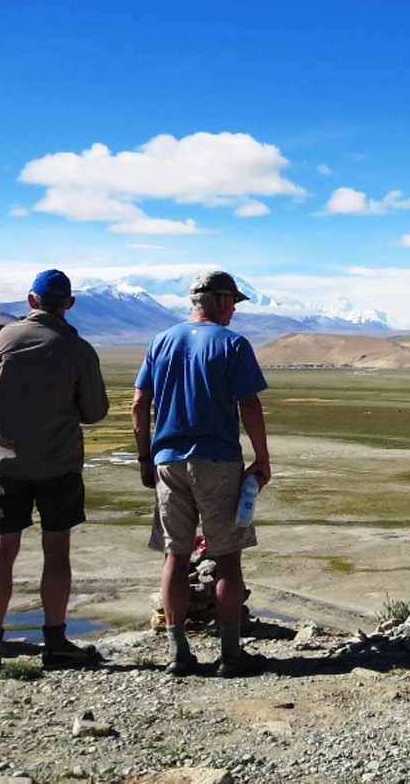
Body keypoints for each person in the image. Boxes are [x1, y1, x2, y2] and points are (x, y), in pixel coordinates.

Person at [0, 269, 109, 672]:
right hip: (59, 464)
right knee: (56, 548)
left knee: (2, 548)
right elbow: (95, 412)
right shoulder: (78, 348)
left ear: (31, 301)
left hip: (4, 462)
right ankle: (56, 642)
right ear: (69, 304)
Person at [133, 270, 272, 678]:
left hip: (167, 460)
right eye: (234, 302)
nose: (235, 310)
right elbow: (249, 405)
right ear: (222, 299)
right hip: (217, 461)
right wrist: (262, 458)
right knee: (227, 558)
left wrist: (145, 458)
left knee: (174, 555)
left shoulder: (161, 341)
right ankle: (231, 655)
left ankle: (179, 654)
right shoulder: (232, 344)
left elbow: (140, 403)